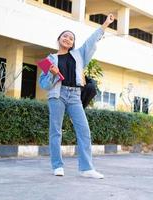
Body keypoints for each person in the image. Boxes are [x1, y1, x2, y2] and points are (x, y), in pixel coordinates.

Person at [39, 14, 114, 179]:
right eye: (65, 36)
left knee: (84, 130)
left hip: (74, 95)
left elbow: (91, 41)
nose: (68, 39)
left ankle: (86, 168)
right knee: (56, 131)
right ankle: (57, 166)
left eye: (71, 38)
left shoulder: (79, 55)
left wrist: (105, 25)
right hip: (57, 95)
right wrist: (52, 74)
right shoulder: (48, 60)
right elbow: (43, 85)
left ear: (73, 43)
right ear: (59, 39)